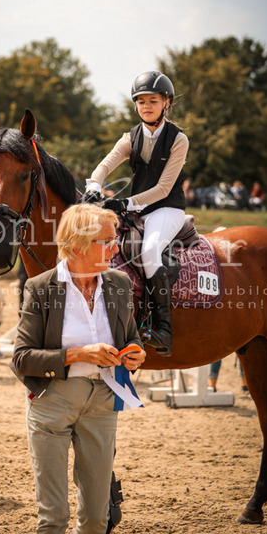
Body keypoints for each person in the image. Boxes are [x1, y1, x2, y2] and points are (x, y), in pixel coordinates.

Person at [11, 203, 146, 534]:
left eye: (115, 239)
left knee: (98, 517)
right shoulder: (40, 287)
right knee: (53, 515)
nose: (115, 248)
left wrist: (135, 353)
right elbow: (21, 359)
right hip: (52, 402)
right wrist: (77, 355)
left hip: (103, 402)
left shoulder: (119, 283)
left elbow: (130, 336)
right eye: (107, 241)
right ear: (79, 245)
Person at [85, 71, 189, 357]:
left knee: (149, 250)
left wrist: (126, 203)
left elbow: (164, 188)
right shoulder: (130, 137)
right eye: (141, 101)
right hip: (136, 211)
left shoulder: (178, 139)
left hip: (166, 208)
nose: (146, 106)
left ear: (167, 103)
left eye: (153, 101)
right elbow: (104, 166)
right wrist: (95, 186)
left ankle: (163, 329)